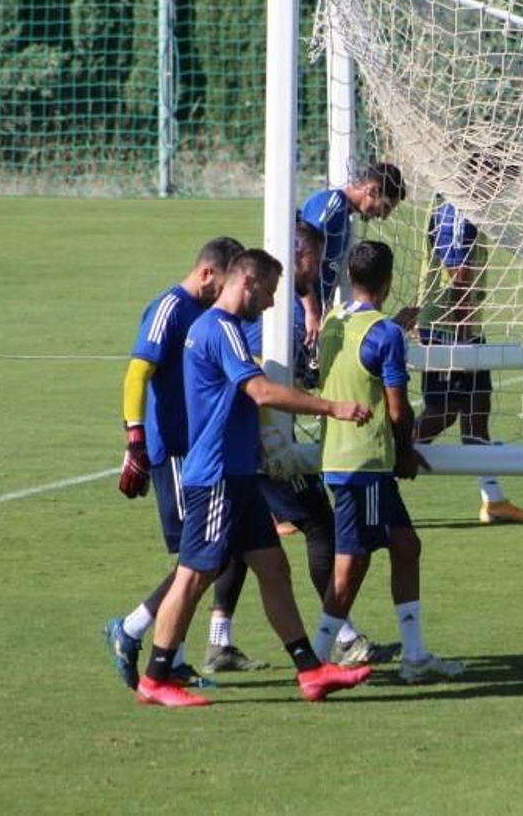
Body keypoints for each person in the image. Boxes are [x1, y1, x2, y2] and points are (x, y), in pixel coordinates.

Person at [133, 249, 375, 707]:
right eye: (268, 292)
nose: (270, 304)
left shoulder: (218, 327)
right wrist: (333, 407)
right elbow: (261, 392)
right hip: (218, 475)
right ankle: (155, 677)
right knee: (193, 575)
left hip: (239, 475)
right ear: (247, 281)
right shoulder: (221, 328)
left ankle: (310, 671)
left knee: (273, 567)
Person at [203, 220, 398, 674]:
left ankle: (218, 641)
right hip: (259, 443)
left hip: (250, 444)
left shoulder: (299, 309)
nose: (320, 264)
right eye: (312, 255)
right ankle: (343, 639)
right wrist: (288, 431)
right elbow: (257, 381)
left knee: (236, 541)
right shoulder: (264, 317)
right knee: (318, 525)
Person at [309, 241, 465, 683]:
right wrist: (406, 449)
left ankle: (415, 657)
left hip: (338, 456)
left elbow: (359, 362)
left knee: (406, 546)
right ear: (389, 279)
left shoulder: (335, 322)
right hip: (368, 464)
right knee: (352, 563)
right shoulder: (386, 336)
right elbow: (398, 408)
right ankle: (316, 660)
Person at [105, 236, 244, 691]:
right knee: (197, 561)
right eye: (223, 282)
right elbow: (137, 371)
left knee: (205, 560)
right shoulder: (169, 308)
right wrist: (135, 440)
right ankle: (132, 630)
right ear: (207, 273)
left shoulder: (212, 311)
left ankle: (170, 655)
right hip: (180, 454)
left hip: (205, 452)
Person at [415, 157, 523, 524]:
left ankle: (494, 500)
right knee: (442, 414)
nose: (502, 188)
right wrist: (463, 339)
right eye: (500, 178)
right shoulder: (458, 210)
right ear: (481, 173)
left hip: (465, 327)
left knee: (477, 409)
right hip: (449, 330)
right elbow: (458, 277)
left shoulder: (466, 206)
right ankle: (384, 466)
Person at [299, 161, 407, 344]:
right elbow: (298, 255)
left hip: (311, 320)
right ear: (372, 191)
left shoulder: (345, 217)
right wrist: (312, 312)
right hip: (299, 317)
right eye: (386, 206)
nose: (384, 216)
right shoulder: (331, 206)